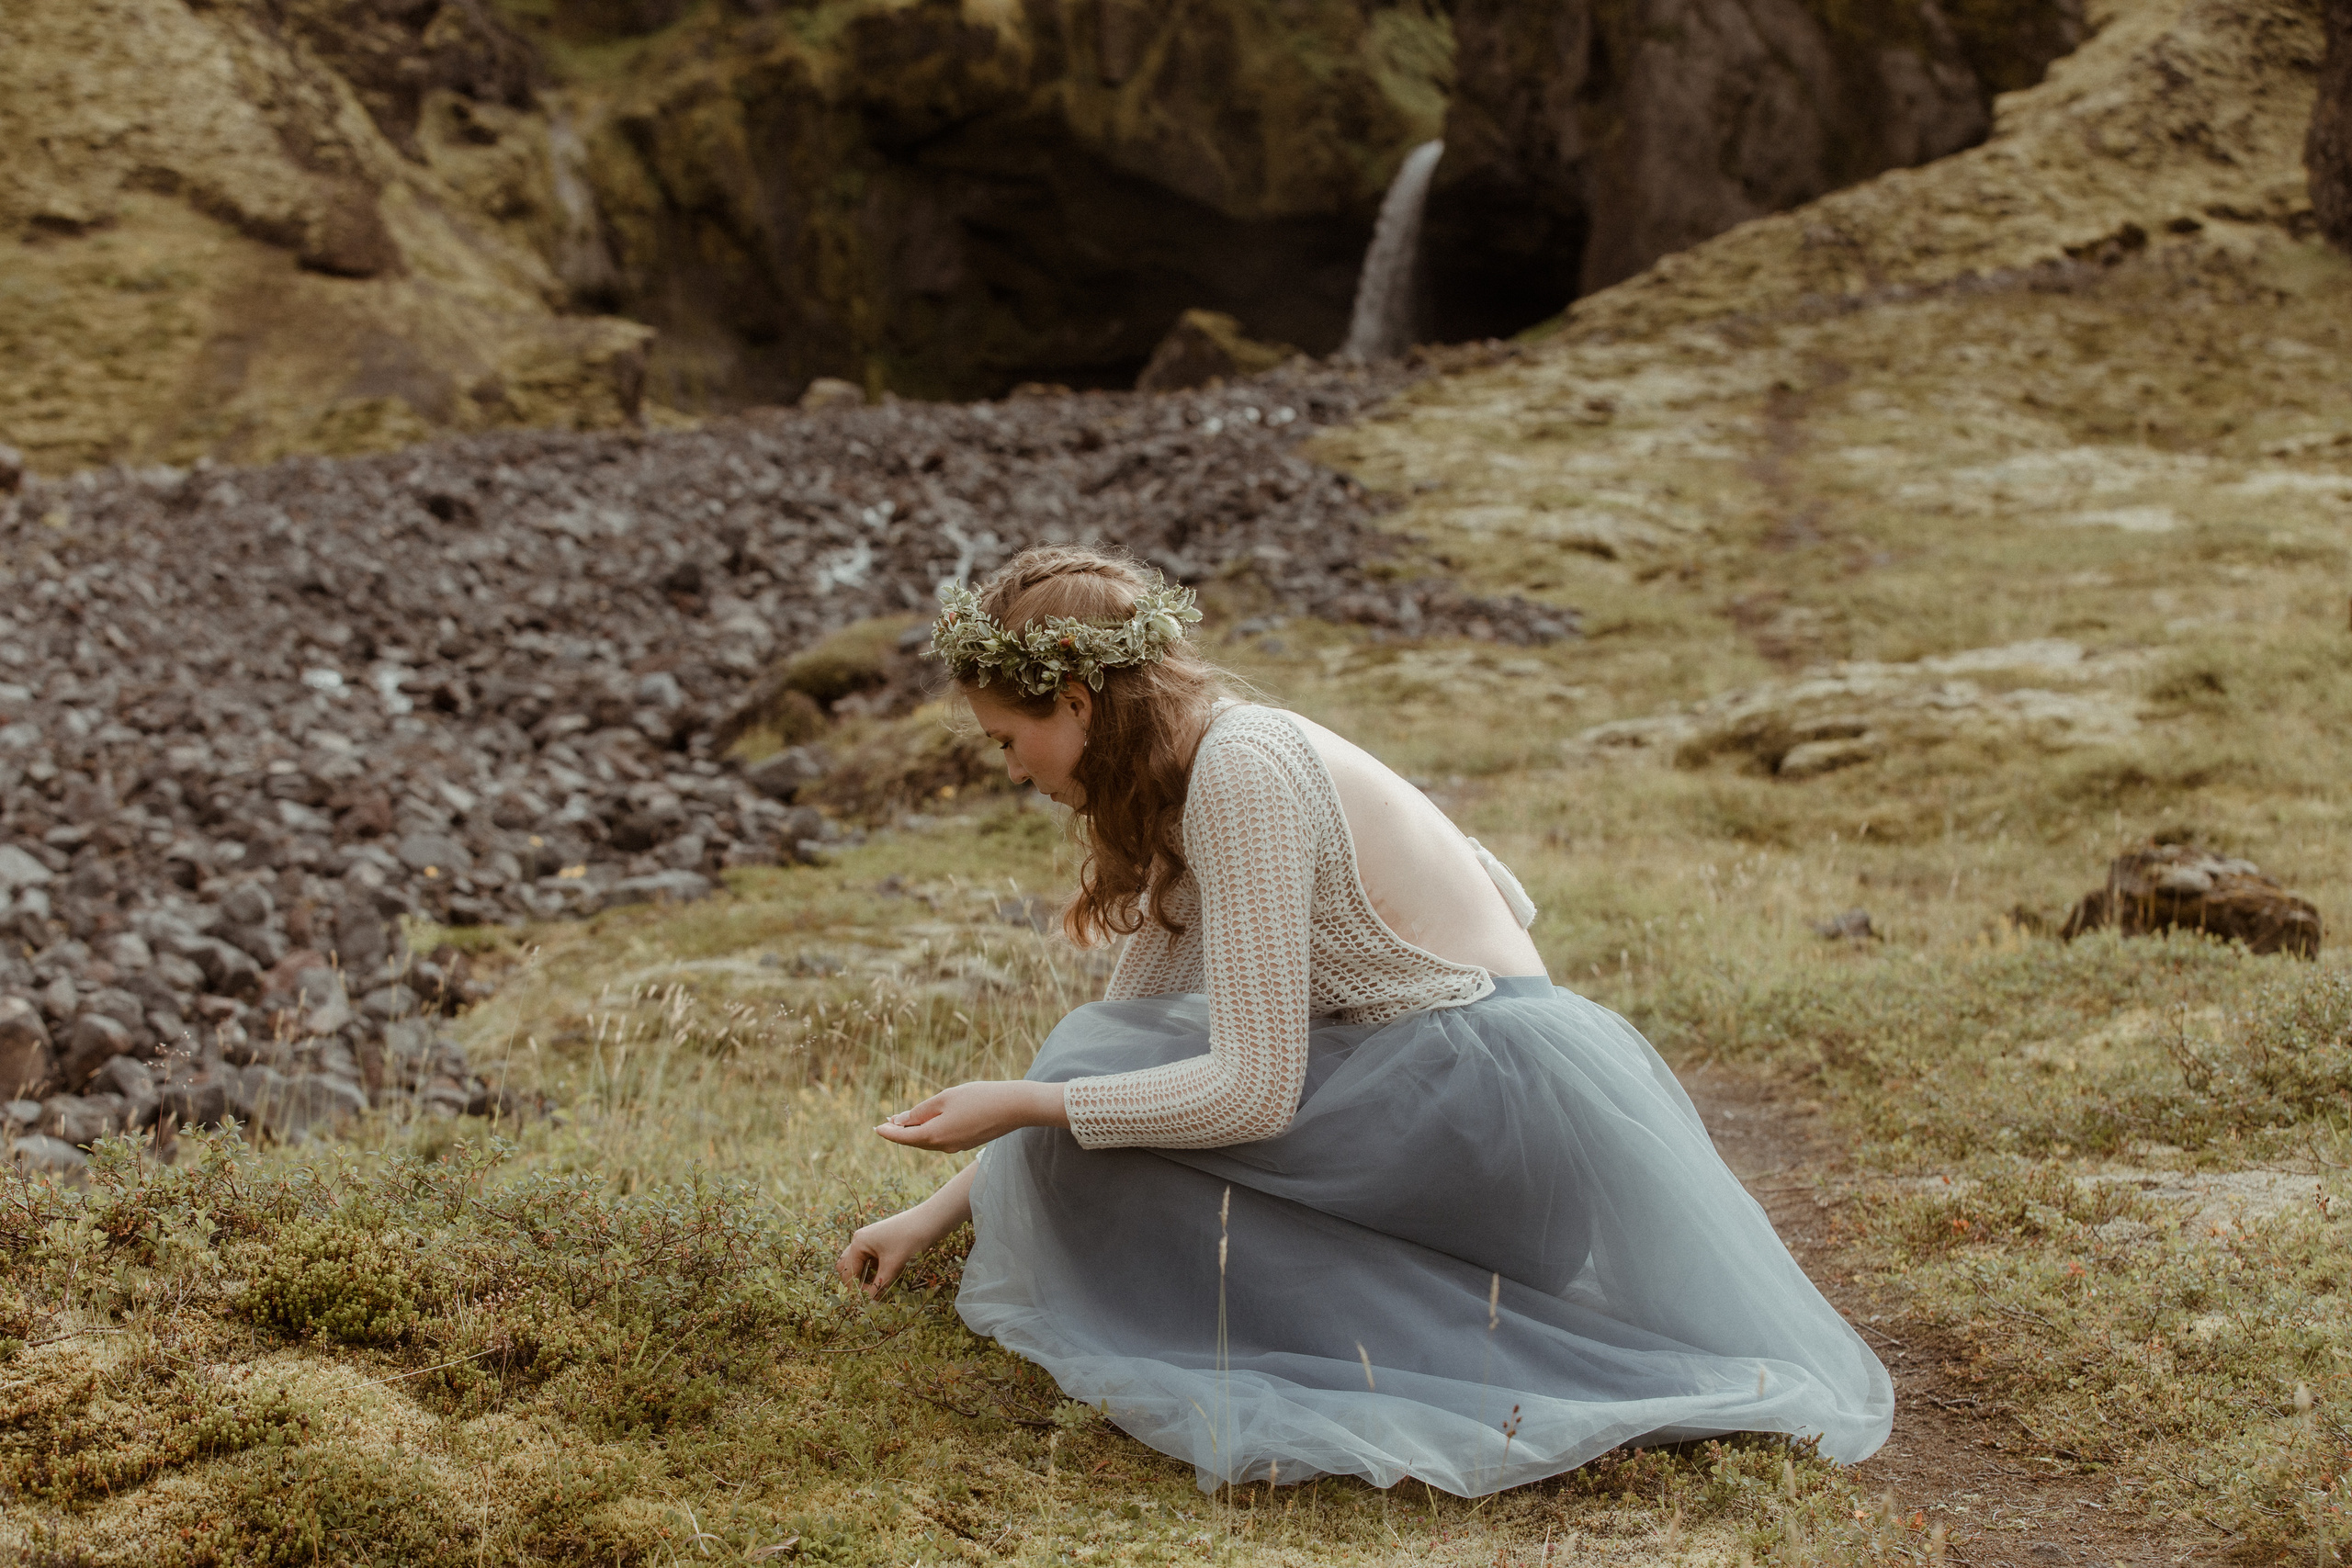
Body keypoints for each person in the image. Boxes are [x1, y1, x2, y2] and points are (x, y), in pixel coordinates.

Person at [836, 547, 1891, 1496]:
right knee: (1094, 1085)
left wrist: (1026, 1100)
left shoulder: (1242, 772)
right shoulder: (1190, 775)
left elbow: (1248, 1089)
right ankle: (1370, 1327)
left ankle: (1382, 1353)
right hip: (1461, 1105)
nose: (1009, 769)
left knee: (1082, 1093)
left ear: (1073, 701)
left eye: (1007, 741)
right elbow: (1128, 1042)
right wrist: (938, 1208)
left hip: (1488, 1121)